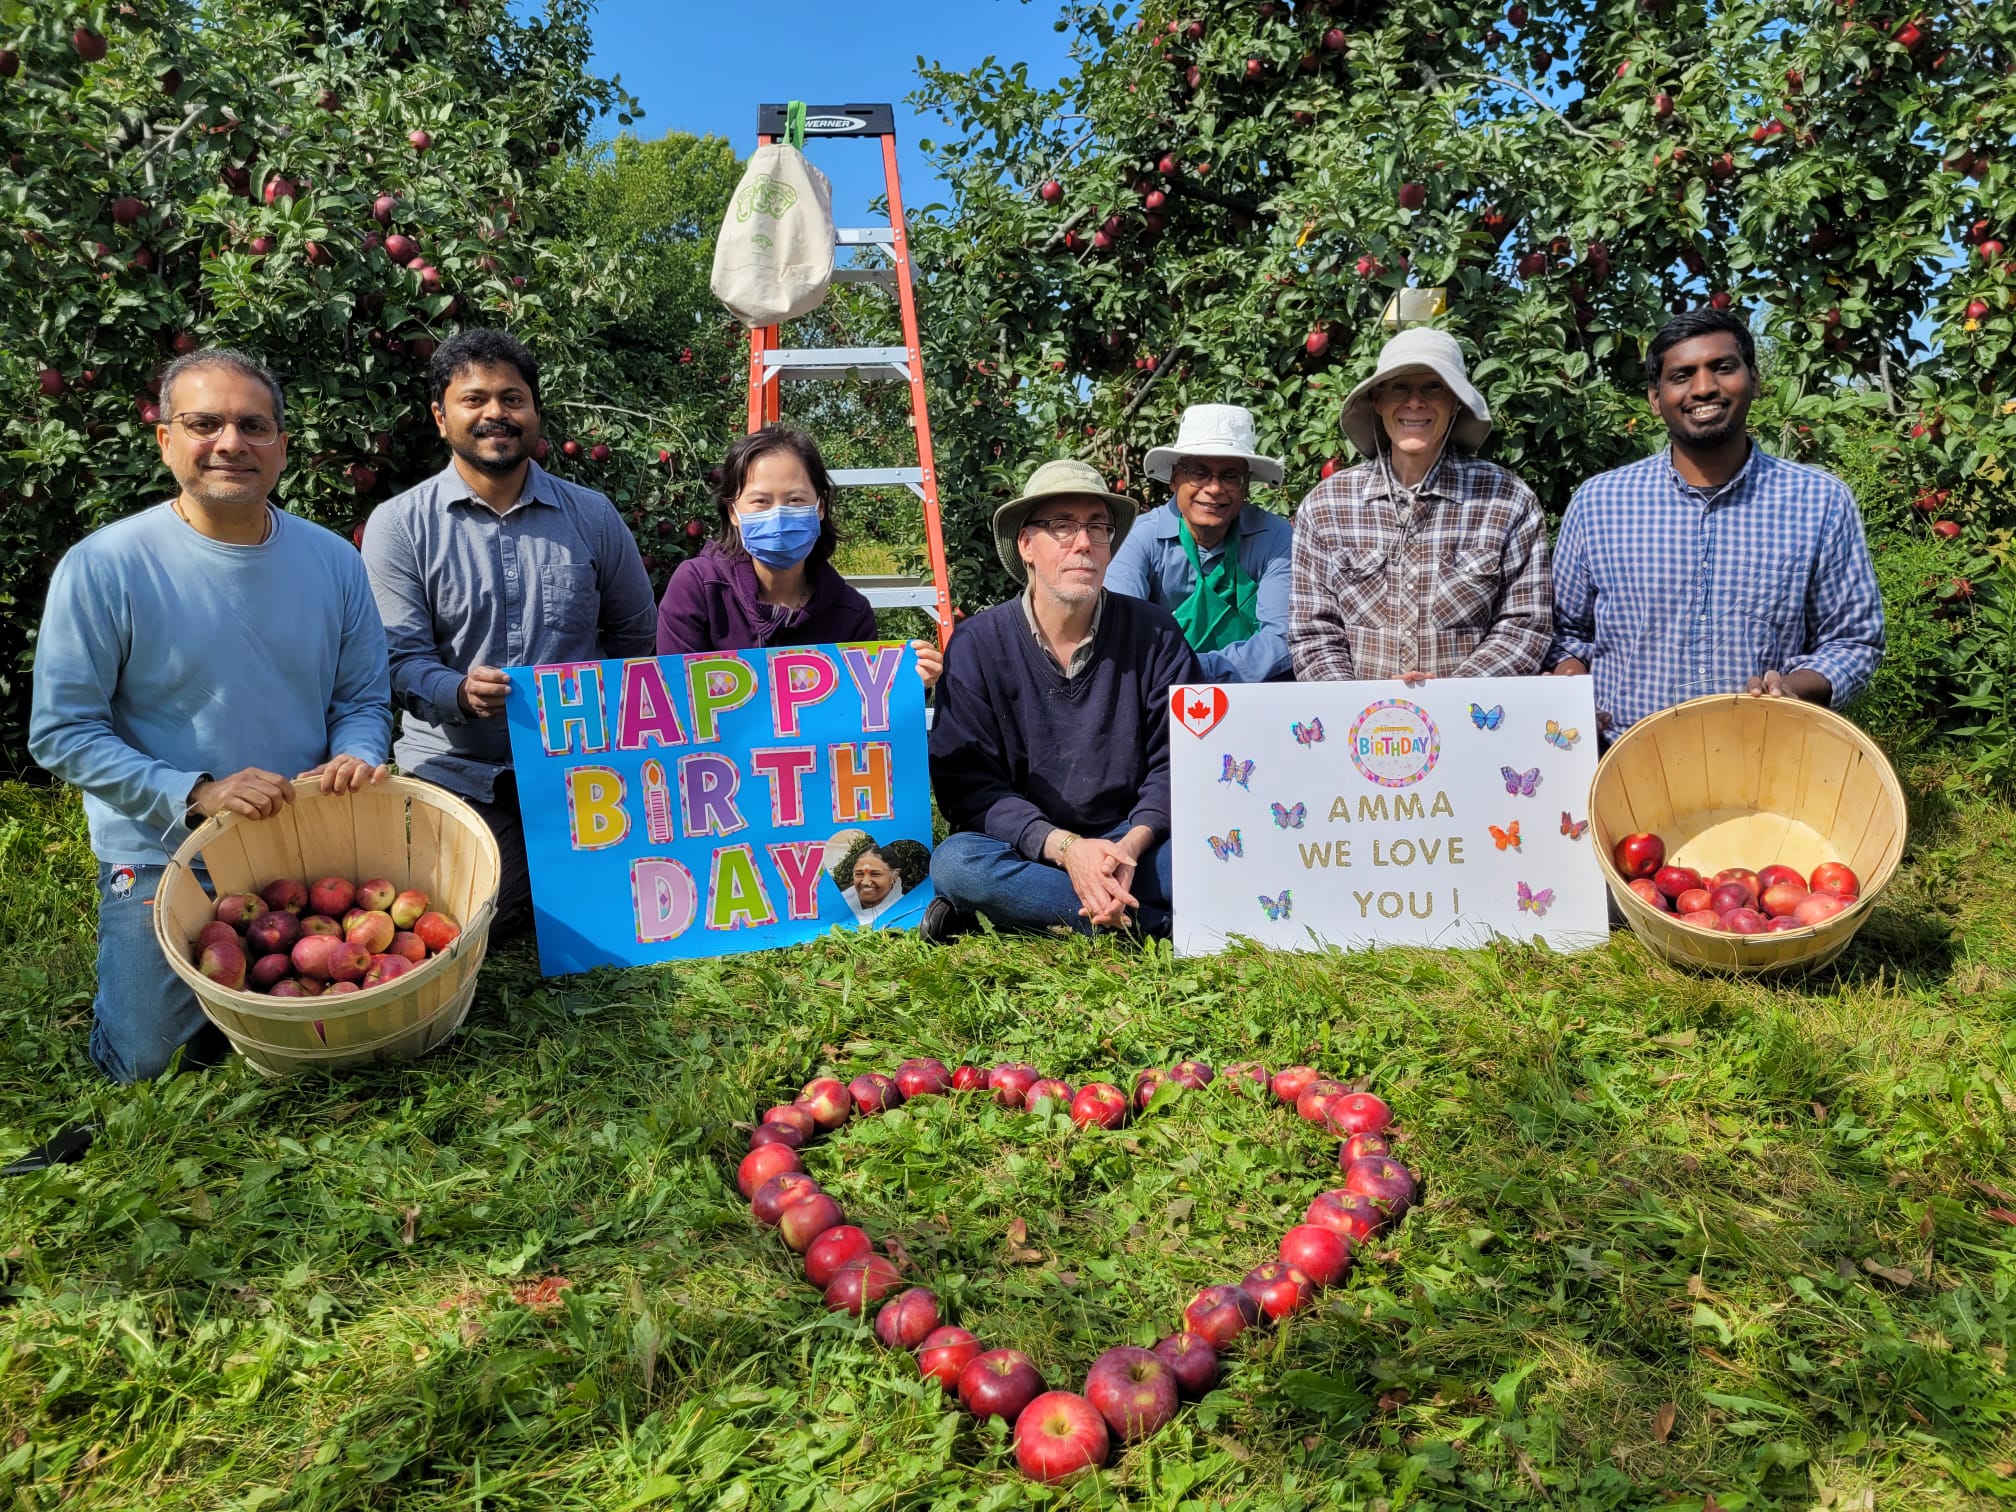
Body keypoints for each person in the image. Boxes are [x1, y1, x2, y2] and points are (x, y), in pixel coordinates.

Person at [29, 348, 391, 1083]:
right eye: (203, 423)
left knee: (350, 1025)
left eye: (253, 425)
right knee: (148, 1064)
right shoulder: (106, 566)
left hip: (304, 837)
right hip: (165, 849)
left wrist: (355, 749)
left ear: (282, 447)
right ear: (165, 439)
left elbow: (361, 700)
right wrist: (198, 792)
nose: (230, 442)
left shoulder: (333, 563)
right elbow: (61, 731)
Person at [361, 329, 655, 936]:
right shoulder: (399, 525)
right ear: (441, 417)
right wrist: (458, 692)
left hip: (580, 768)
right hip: (455, 766)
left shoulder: (592, 515)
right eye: (474, 400)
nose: (496, 412)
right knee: (475, 914)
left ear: (534, 413)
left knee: (605, 899)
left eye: (513, 398)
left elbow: (636, 639)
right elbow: (395, 660)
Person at [1545, 308, 1884, 734]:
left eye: (1723, 368)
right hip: (1622, 756)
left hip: (1765, 755)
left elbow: (1853, 640)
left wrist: (1795, 688)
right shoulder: (1599, 503)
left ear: (1755, 380)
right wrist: (1569, 677)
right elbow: (1564, 631)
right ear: (1655, 399)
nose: (1704, 388)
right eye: (1682, 375)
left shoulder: (1818, 501)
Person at [927, 458, 1204, 940]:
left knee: (1211, 849)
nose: (1084, 543)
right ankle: (1145, 924)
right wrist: (1068, 850)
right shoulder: (976, 644)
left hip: (1136, 842)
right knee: (957, 863)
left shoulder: (1155, 633)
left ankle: (1037, 911)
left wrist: (1130, 847)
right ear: (1026, 544)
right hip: (1031, 846)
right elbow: (969, 788)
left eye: (1098, 528)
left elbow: (1180, 760)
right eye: (1063, 526)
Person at [1288, 328, 1552, 684]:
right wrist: (1356, 704)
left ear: (1456, 402)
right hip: (1357, 731)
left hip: (1473, 725)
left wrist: (1450, 698)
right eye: (1400, 387)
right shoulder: (1327, 505)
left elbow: (1524, 625)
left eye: (1433, 387)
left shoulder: (1507, 500)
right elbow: (1314, 631)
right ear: (1378, 400)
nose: (1415, 402)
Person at [655, 425, 941, 687]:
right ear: (733, 512)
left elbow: (862, 723)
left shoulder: (851, 615)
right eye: (761, 501)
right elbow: (678, 705)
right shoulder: (697, 589)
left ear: (820, 507)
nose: (777, 514)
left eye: (795, 500)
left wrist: (905, 686)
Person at [1106, 403, 1294, 682]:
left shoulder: (1275, 537)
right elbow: (1117, 627)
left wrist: (1192, 671)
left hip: (1252, 696)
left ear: (1246, 486)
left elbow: (1283, 637)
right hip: (1158, 696)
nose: (1215, 488)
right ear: (1174, 479)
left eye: (1231, 476)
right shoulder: (1141, 537)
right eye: (1199, 473)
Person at [841, 844, 905, 925]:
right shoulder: (839, 908)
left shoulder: (907, 911)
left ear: (895, 875)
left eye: (875, 874)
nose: (865, 882)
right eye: (859, 874)